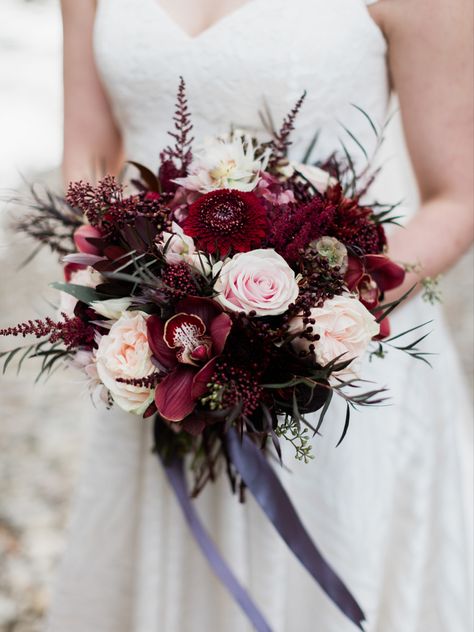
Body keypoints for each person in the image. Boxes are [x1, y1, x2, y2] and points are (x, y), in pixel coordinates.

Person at [49, 1, 473, 630]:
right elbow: (88, 160)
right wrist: (131, 293)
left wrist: (316, 316)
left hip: (334, 369)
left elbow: (457, 197)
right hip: (163, 350)